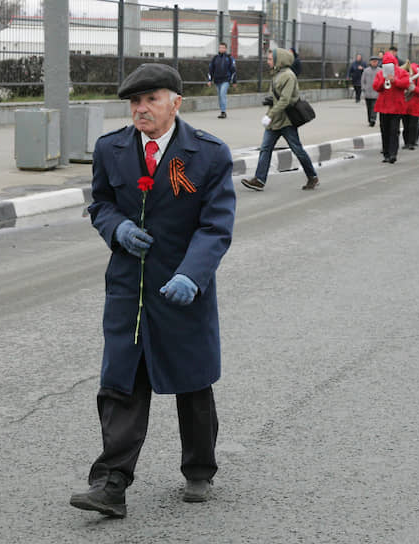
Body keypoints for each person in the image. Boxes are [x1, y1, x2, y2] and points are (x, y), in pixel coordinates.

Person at [71, 63, 236, 517]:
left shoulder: (207, 154)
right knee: (121, 380)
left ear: (175, 103)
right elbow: (100, 203)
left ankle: (199, 469)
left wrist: (192, 274)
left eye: (152, 100)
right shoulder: (112, 148)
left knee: (192, 380)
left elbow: (215, 225)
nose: (141, 109)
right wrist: (117, 227)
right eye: (135, 102)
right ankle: (111, 483)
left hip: (183, 285)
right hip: (128, 285)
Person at [241, 48, 319, 191]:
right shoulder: (277, 74)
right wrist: (270, 102)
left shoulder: (289, 76)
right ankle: (259, 180)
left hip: (286, 121)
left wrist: (269, 115)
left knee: (297, 150)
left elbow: (285, 100)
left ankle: (312, 177)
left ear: (280, 60)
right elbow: (277, 97)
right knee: (265, 148)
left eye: (271, 59)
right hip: (275, 120)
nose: (268, 61)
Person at [373, 52, 409, 164]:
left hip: (396, 107)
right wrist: (384, 80)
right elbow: (376, 87)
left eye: (390, 64)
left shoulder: (401, 72)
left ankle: (393, 154)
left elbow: (406, 84)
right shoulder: (380, 74)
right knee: (385, 131)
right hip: (383, 107)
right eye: (386, 64)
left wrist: (395, 81)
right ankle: (386, 154)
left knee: (394, 131)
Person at [207, 42, 237, 119]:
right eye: (220, 47)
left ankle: (223, 112)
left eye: (223, 47)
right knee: (220, 96)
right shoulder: (215, 58)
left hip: (226, 80)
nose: (221, 49)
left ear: (226, 49)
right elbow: (210, 70)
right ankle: (222, 111)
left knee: (222, 94)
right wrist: (209, 80)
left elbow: (233, 70)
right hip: (217, 80)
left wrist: (234, 81)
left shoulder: (229, 58)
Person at [402, 62, 419, 150]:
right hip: (405, 107)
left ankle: (412, 143)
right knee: (405, 126)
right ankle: (406, 143)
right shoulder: (404, 79)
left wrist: (414, 89)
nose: (410, 73)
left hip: (415, 107)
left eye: (411, 71)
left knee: (413, 126)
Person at [360, 56, 381, 127]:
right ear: (370, 62)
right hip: (368, 92)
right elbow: (363, 80)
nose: (374, 63)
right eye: (373, 61)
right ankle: (369, 119)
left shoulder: (380, 70)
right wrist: (364, 88)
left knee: (374, 107)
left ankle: (373, 120)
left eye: (376, 61)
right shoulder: (366, 70)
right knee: (369, 107)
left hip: (376, 93)